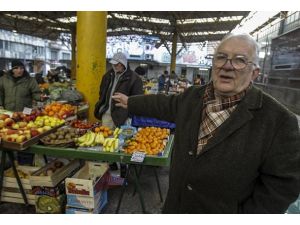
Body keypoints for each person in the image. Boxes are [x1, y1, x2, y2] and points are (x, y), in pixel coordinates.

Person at [112, 33, 300, 213]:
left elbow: (282, 186)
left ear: (254, 73)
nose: (227, 66)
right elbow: (164, 104)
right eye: (221, 57)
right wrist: (131, 102)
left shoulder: (279, 122)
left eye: (240, 60)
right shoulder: (193, 96)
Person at [94, 52, 143, 129]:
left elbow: (137, 99)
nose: (114, 66)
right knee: (106, 138)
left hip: (123, 117)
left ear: (123, 63)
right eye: (113, 64)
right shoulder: (107, 76)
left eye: (117, 64)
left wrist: (129, 116)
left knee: (121, 139)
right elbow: (102, 92)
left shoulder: (135, 79)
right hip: (107, 115)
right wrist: (102, 106)